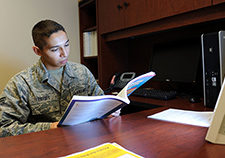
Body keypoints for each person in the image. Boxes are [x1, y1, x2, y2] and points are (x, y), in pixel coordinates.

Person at [0, 20, 118, 137]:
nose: (64, 53)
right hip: (45, 144)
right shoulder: (21, 83)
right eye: (55, 49)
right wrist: (49, 127)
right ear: (38, 51)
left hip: (84, 138)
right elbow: (4, 128)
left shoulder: (82, 72)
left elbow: (101, 105)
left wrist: (109, 112)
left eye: (66, 45)